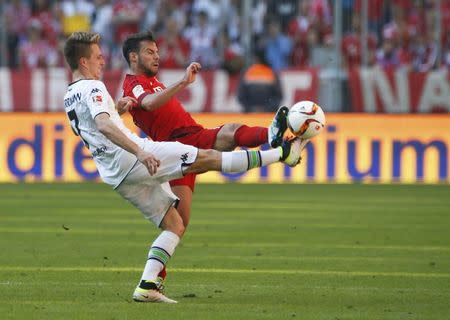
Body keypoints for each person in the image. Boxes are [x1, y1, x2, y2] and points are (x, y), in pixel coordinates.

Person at [63, 32, 303, 303]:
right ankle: (281, 151)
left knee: (176, 224)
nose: (102, 61)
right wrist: (141, 150)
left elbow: (97, 124)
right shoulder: (103, 87)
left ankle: (148, 285)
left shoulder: (70, 95)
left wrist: (116, 109)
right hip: (142, 155)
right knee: (216, 152)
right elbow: (107, 123)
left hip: (116, 175)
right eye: (97, 57)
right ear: (83, 61)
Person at [119, 30, 294, 288]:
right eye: (150, 52)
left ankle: (151, 281)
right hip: (177, 146)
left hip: (189, 139)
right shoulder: (133, 83)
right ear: (133, 57)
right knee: (229, 135)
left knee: (179, 223)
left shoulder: (152, 80)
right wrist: (181, 83)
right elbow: (148, 104)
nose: (157, 56)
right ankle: (275, 143)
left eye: (157, 51)